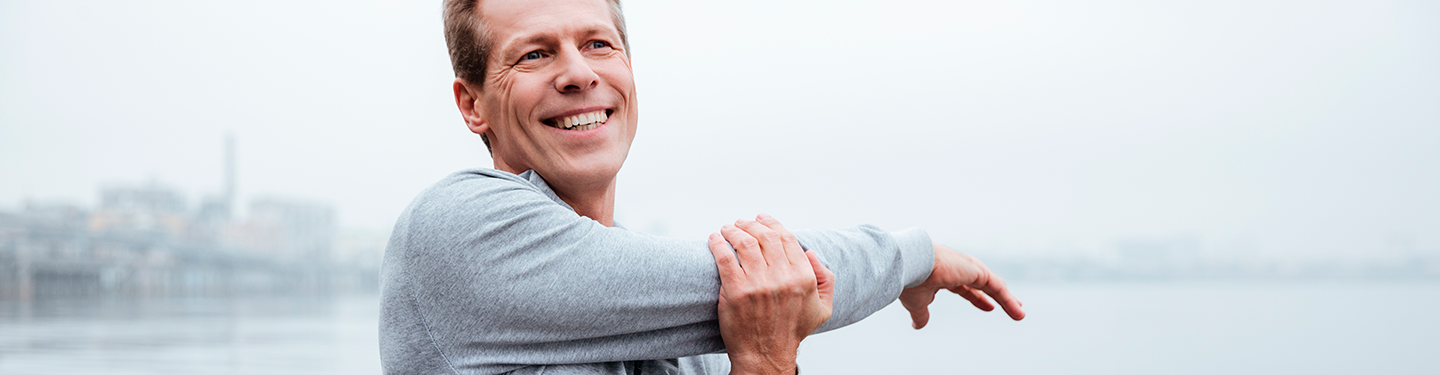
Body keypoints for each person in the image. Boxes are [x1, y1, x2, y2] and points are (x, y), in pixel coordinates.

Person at [378, 0, 1026, 374]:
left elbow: (773, 286)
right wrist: (918, 254)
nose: (578, 73)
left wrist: (767, 361)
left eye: (599, 44)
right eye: (535, 54)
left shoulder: (699, 335)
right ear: (472, 105)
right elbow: (777, 276)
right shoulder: (456, 228)